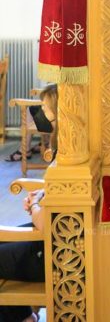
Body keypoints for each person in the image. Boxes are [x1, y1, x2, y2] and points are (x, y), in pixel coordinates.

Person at [0, 84, 58, 322]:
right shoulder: (65, 147)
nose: (41, 114)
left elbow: (46, 224)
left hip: (53, 252)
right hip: (52, 243)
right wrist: (42, 193)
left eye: (46, 108)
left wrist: (35, 206)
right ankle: (24, 316)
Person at [6, 86, 57, 162]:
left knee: (31, 109)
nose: (43, 108)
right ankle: (45, 143)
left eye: (44, 105)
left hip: (57, 121)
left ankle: (25, 149)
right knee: (34, 109)